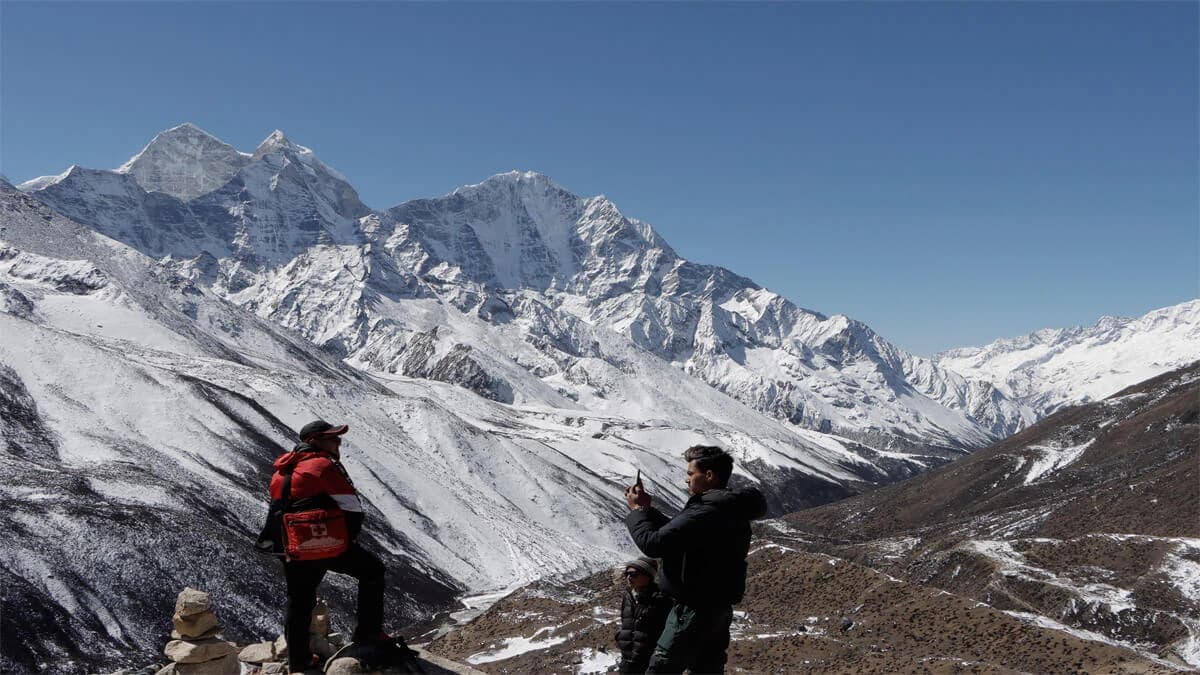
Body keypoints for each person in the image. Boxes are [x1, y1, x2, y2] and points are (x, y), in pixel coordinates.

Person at [264, 420, 409, 673]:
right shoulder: (323, 466)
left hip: (294, 547)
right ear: (314, 441)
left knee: (298, 601)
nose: (338, 443)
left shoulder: (281, 471)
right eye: (332, 439)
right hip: (327, 542)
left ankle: (299, 660)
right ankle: (368, 632)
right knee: (372, 572)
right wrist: (346, 541)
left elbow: (278, 510)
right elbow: (352, 507)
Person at [623, 445, 767, 674]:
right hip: (716, 609)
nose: (686, 479)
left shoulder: (706, 510)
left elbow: (654, 544)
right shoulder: (725, 507)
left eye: (691, 474)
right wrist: (648, 512)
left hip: (693, 609)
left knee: (662, 668)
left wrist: (637, 511)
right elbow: (679, 533)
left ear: (708, 475)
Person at [615, 557, 673, 674]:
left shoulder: (660, 599)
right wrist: (620, 637)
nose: (628, 577)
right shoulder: (628, 597)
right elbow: (625, 622)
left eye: (634, 574)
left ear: (648, 576)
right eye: (627, 573)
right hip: (627, 660)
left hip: (648, 663)